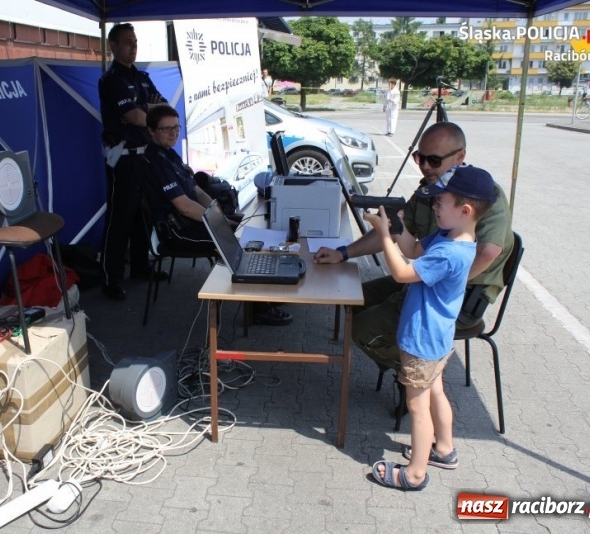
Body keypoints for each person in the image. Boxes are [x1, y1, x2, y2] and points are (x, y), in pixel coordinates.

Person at [314, 122, 514, 374]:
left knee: (364, 329)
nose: (425, 166)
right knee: (356, 300)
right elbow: (401, 234)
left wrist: (442, 284)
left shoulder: (482, 194)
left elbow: (488, 252)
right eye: (420, 158)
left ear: (460, 156)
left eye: (434, 159)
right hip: (424, 276)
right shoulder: (429, 190)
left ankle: (420, 373)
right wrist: (343, 253)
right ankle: (413, 363)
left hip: (459, 294)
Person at [368, 166, 498, 491]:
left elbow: (402, 271)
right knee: (436, 392)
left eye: (441, 202)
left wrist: (383, 235)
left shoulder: (450, 253)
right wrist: (397, 227)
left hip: (422, 341)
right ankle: (444, 449)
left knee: (417, 406)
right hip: (438, 339)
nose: (435, 206)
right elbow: (412, 249)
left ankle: (415, 473)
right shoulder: (452, 237)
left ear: (465, 210)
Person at [142, 105, 293, 326]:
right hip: (179, 232)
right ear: (151, 131)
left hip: (193, 222)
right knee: (245, 241)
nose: (173, 133)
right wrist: (219, 221)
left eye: (176, 127)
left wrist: (220, 212)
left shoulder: (168, 154)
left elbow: (195, 190)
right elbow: (184, 206)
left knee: (246, 226)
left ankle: (262, 294)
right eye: (166, 129)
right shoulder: (155, 162)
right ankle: (258, 308)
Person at [98, 23, 168, 301]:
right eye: (128, 42)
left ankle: (140, 267)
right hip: (123, 159)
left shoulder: (142, 77)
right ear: (113, 47)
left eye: (135, 41)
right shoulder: (111, 80)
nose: (133, 46)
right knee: (120, 219)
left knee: (144, 217)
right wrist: (146, 109)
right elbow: (136, 118)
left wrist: (146, 108)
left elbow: (163, 111)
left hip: (146, 156)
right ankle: (110, 279)